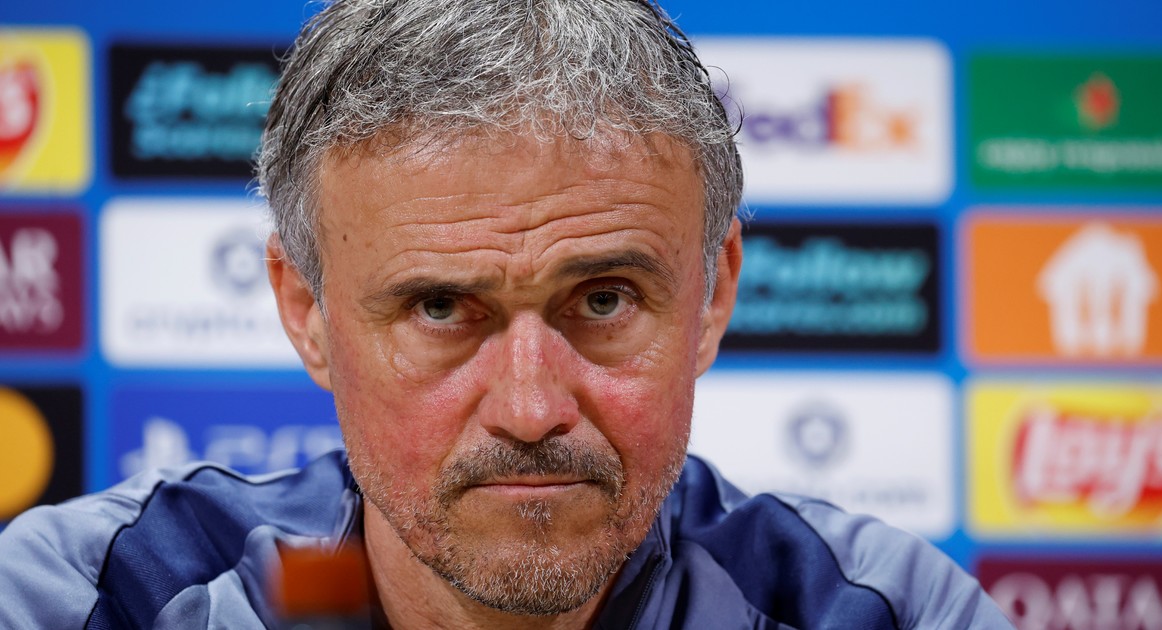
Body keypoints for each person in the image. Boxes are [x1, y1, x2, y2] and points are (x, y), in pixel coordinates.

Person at [0, 1, 1013, 628]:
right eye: (443, 306)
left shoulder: (878, 612)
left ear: (712, 296)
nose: (530, 410)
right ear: (304, 308)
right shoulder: (96, 599)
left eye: (603, 300)